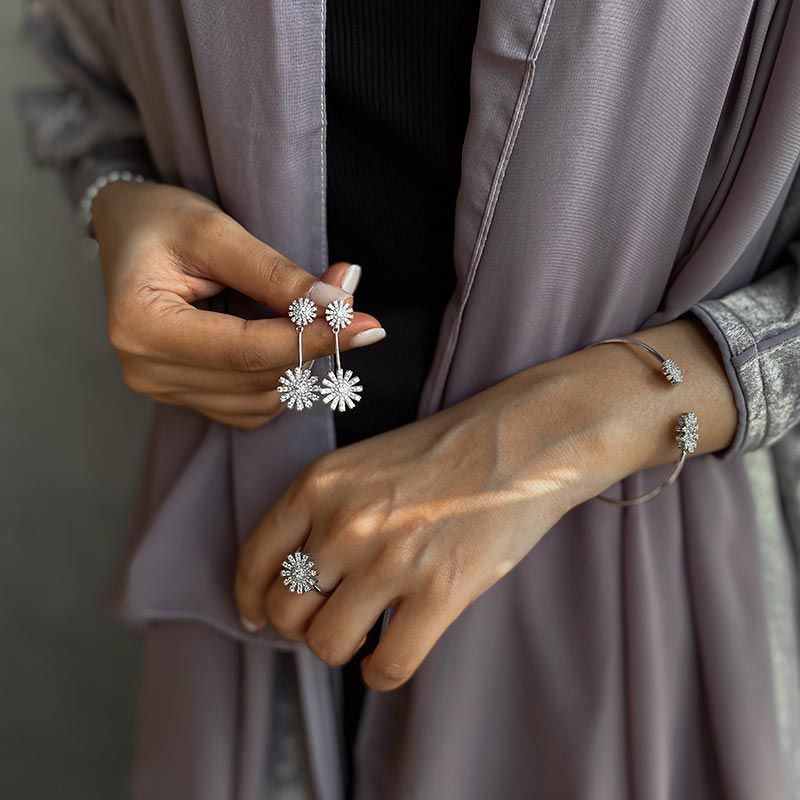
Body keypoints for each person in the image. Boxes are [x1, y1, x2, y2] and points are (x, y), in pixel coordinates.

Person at [19, 0, 800, 798]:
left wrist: (573, 432)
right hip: (246, 539)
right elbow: (82, 64)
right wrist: (117, 205)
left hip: (633, 549)